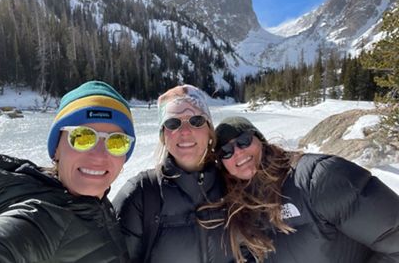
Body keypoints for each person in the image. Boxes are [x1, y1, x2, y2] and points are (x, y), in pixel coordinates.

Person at [211, 116, 399, 263]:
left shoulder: (318, 178)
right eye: (225, 151)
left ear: (261, 140)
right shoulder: (240, 212)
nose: (237, 152)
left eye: (244, 140)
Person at [0, 80, 136, 262]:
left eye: (117, 142)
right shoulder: (41, 217)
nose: (99, 156)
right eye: (82, 137)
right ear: (56, 149)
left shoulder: (97, 205)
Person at [113, 84, 235, 263]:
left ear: (209, 130)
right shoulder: (141, 195)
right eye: (173, 123)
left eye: (196, 121)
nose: (185, 132)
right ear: (163, 136)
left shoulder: (232, 186)